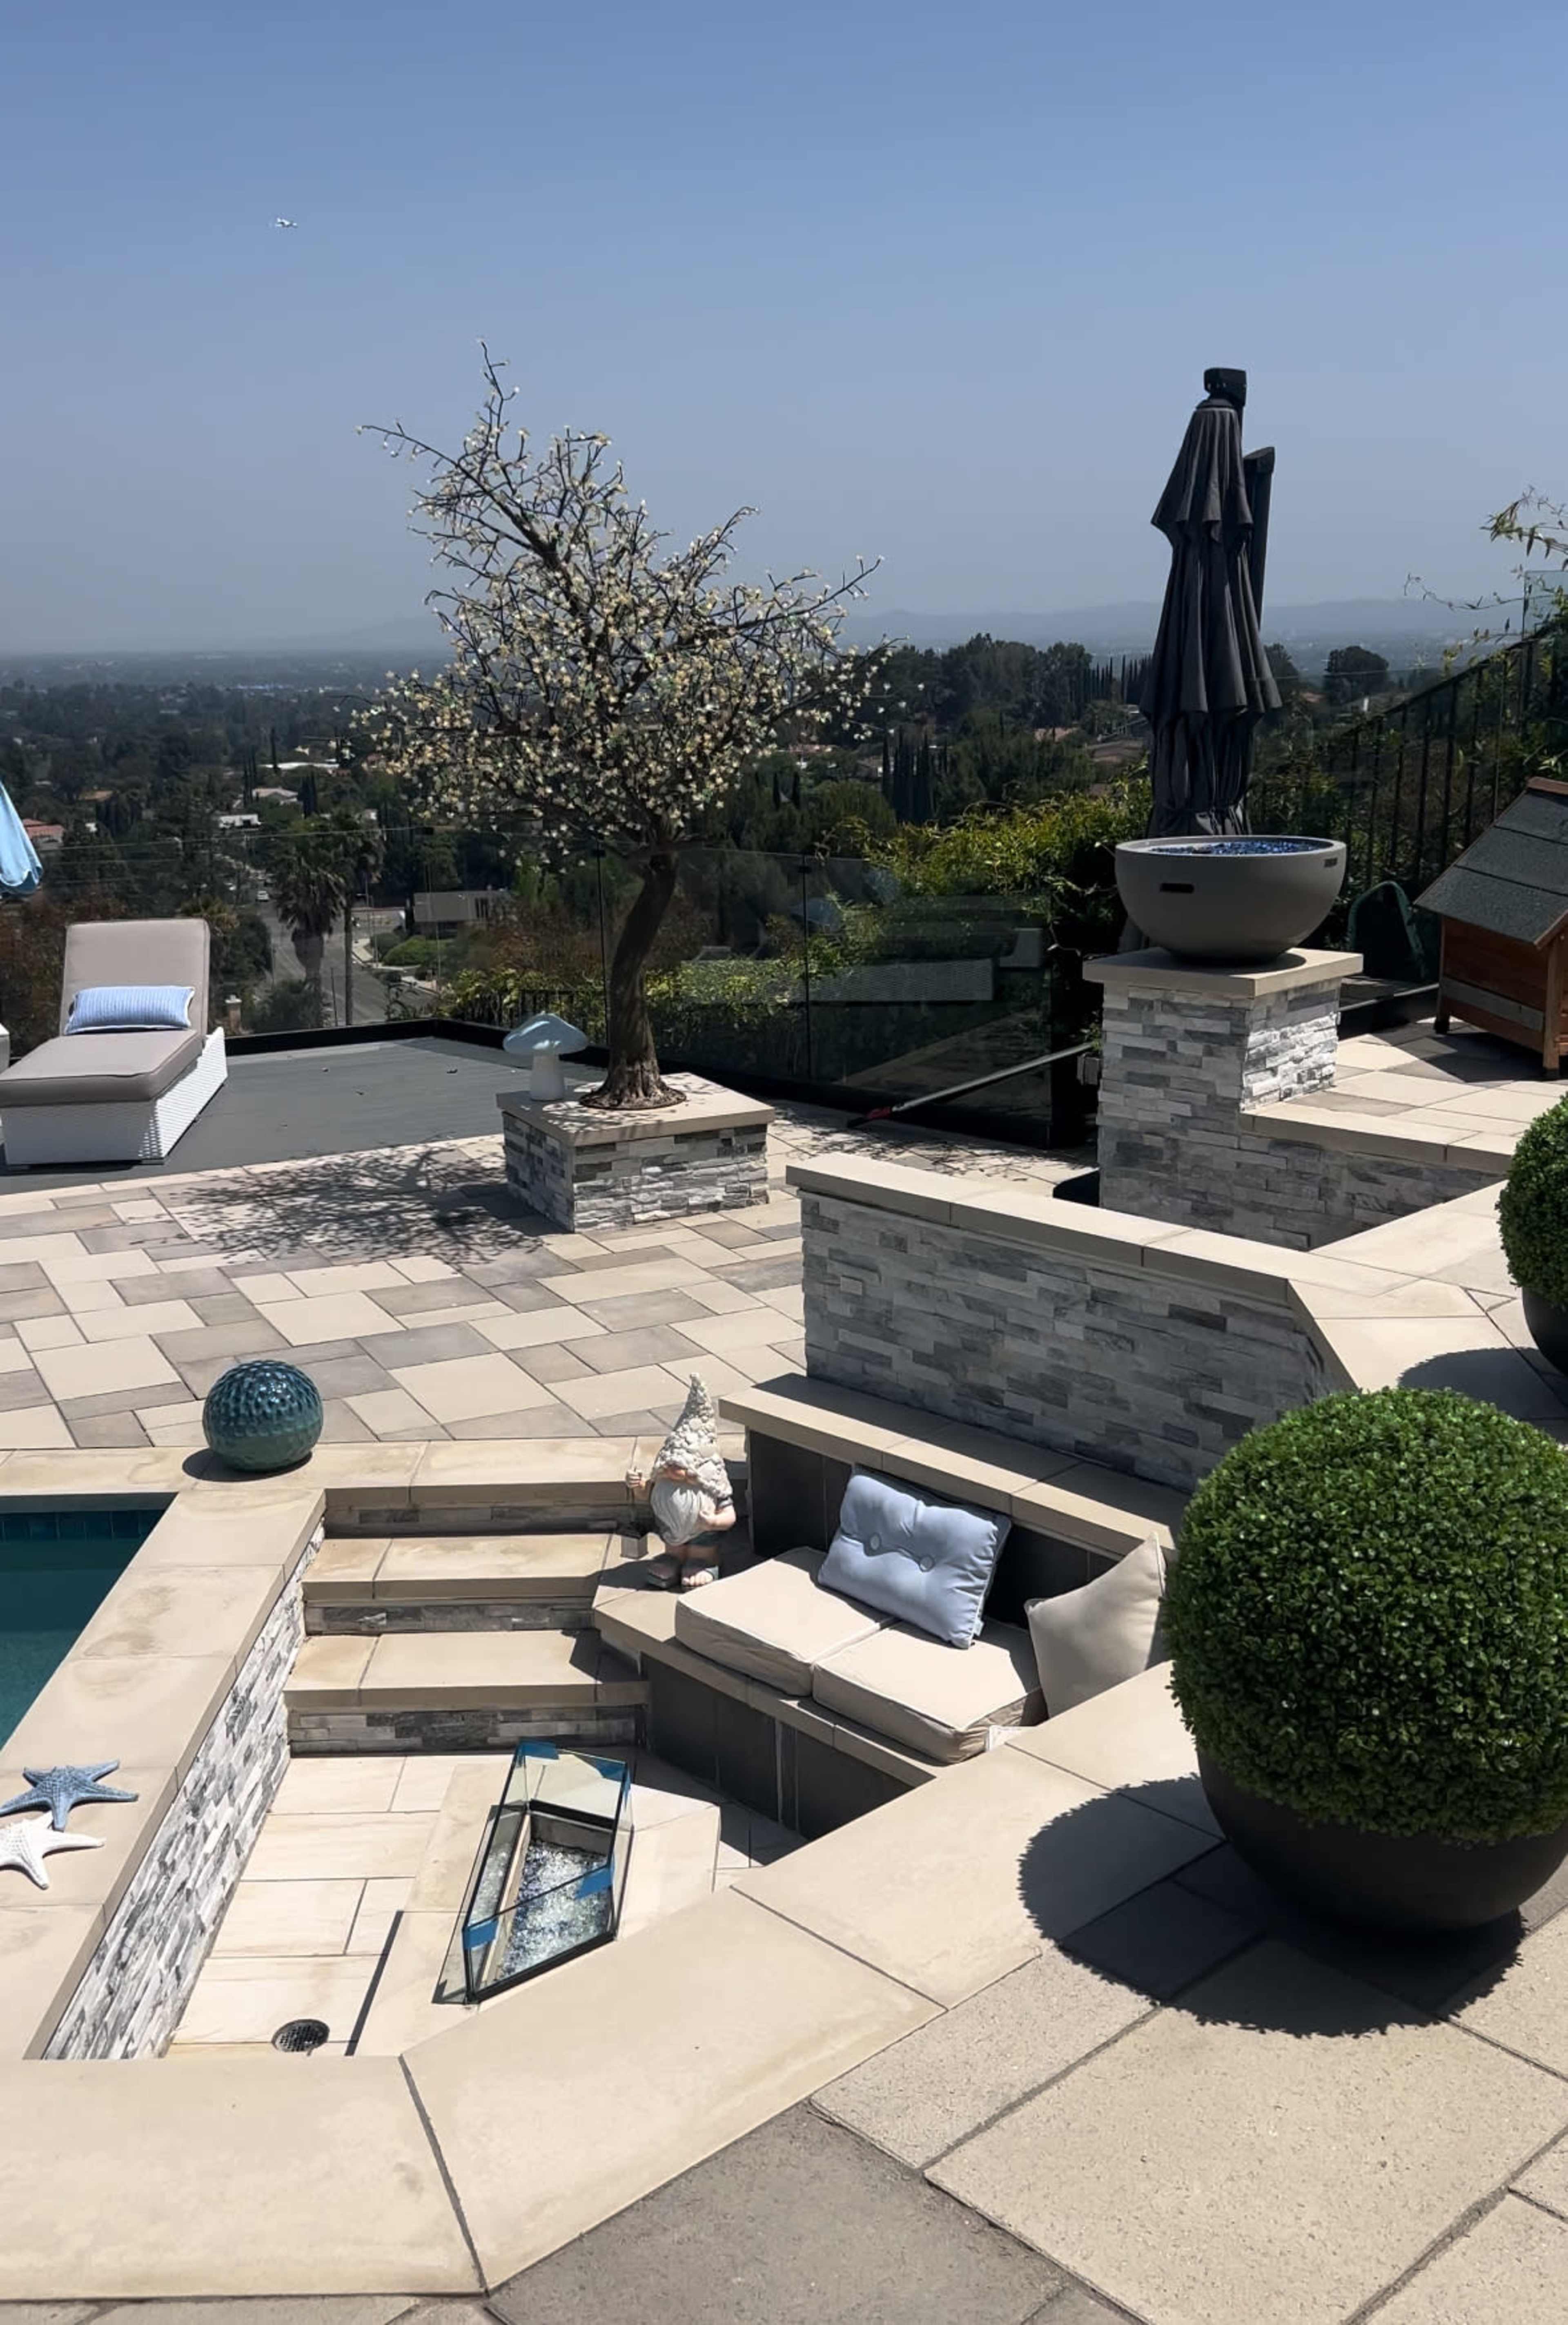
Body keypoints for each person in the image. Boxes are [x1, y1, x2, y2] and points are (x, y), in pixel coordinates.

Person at [630, 1374, 735, 1590]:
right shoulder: (661, 1480)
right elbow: (644, 1493)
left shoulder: (714, 1486)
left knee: (702, 1548)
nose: (674, 1471)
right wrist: (637, 1485)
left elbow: (730, 1516)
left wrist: (714, 1523)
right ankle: (674, 1559)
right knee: (674, 1546)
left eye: (682, 1467)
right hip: (671, 1530)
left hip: (703, 1534)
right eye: (670, 1465)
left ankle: (703, 1562)